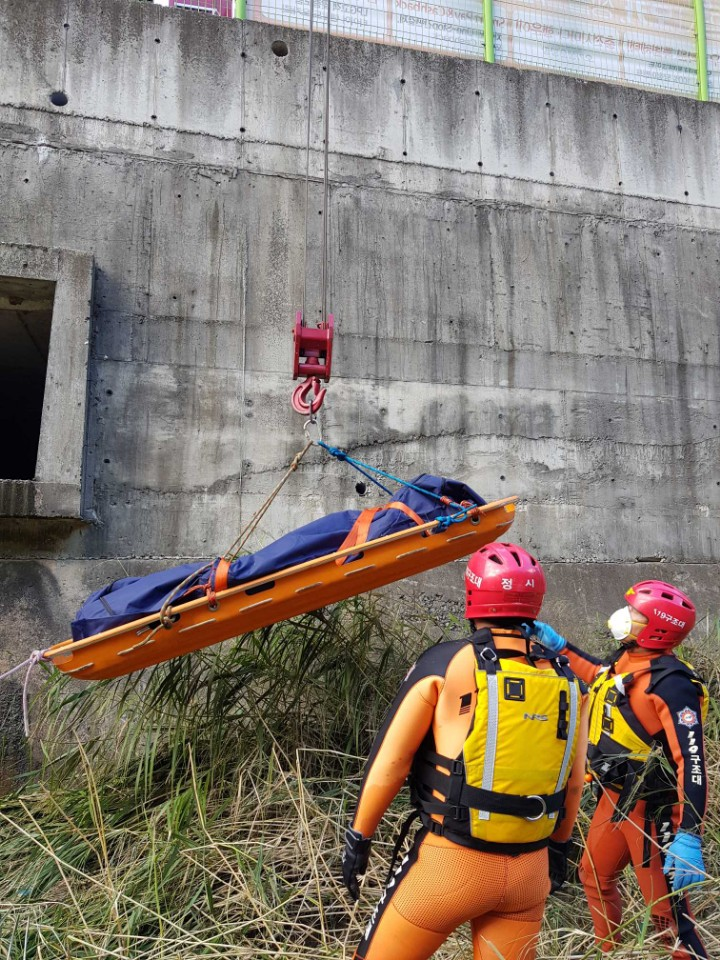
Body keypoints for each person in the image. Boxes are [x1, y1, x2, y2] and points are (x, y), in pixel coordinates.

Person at [341, 542, 589, 960]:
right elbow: (575, 783)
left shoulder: (447, 661)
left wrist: (359, 837)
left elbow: (391, 762)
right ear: (534, 604)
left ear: (472, 597)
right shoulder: (568, 679)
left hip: (449, 866)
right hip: (530, 874)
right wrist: (559, 851)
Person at [533, 580, 708, 960]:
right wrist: (560, 646)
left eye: (636, 614)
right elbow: (601, 678)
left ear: (657, 627)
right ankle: (608, 951)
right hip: (615, 798)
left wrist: (690, 833)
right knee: (594, 877)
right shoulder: (628, 659)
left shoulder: (673, 685)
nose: (625, 617)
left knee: (667, 913)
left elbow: (691, 761)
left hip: (651, 807)